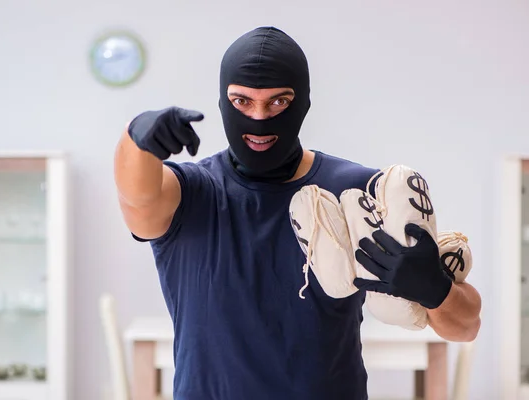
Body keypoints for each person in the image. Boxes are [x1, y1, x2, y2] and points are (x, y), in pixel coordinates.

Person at [114, 26, 481, 400]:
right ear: (223, 102)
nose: (258, 118)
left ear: (302, 103)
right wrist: (135, 139)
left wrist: (437, 289)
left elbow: (467, 326)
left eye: (278, 102)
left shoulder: (359, 192)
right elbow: (136, 199)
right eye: (242, 101)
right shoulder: (190, 194)